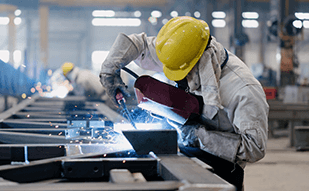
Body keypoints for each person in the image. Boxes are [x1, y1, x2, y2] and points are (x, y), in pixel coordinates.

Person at [99, 16, 269, 190]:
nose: (178, 79)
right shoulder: (177, 51)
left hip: (222, 167)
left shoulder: (244, 91)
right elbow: (137, 44)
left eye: (182, 73)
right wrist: (109, 69)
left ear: (200, 61)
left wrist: (198, 136)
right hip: (185, 149)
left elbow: (254, 148)